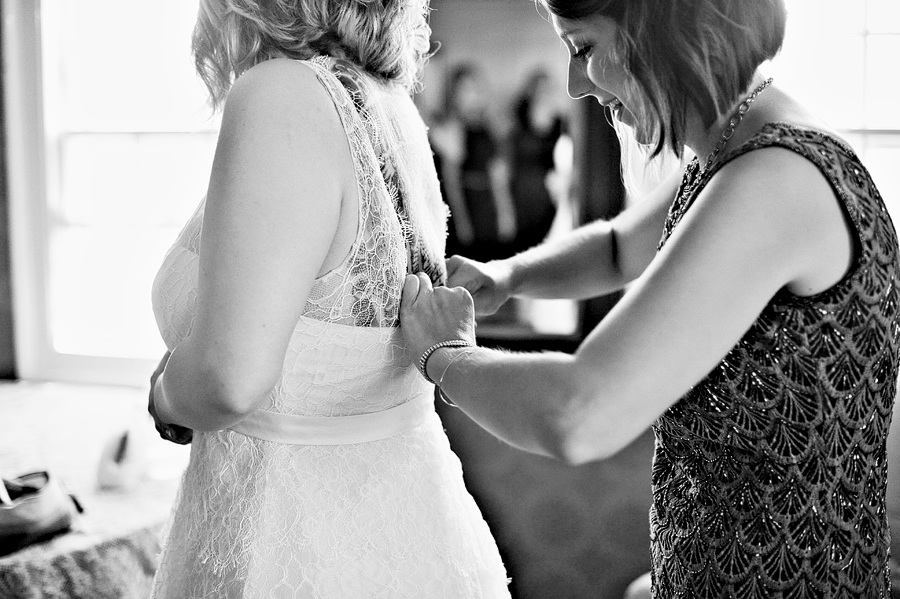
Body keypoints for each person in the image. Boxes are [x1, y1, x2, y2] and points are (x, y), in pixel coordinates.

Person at [400, 0, 899, 596]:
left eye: (583, 48)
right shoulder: (736, 149)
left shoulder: (774, 181)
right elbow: (618, 249)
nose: (573, 84)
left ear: (664, 26)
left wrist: (445, 354)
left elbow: (580, 415)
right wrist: (507, 276)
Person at [146, 0, 510, 596]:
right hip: (408, 526)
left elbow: (226, 381)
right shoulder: (390, 106)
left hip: (291, 542)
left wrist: (165, 397)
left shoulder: (282, 95)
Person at [429, 63, 516, 262]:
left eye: (473, 88)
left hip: (489, 203)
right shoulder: (452, 127)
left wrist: (506, 214)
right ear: (454, 94)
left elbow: (499, 176)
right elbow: (452, 181)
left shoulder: (489, 125)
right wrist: (462, 222)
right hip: (466, 205)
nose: (470, 95)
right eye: (464, 89)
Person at [505, 68, 569, 256]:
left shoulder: (561, 125)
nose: (545, 95)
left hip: (549, 196)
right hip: (521, 194)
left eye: (549, 90)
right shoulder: (517, 125)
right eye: (540, 90)